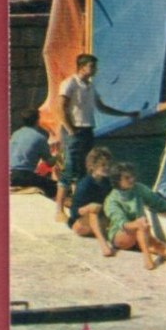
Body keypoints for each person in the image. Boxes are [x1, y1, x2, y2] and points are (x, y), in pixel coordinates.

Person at [54, 53, 140, 222]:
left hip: (87, 130)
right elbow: (60, 108)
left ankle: (78, 208)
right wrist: (70, 130)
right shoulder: (69, 83)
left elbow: (101, 107)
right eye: (92, 66)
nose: (95, 70)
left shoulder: (90, 86)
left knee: (85, 170)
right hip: (74, 130)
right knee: (69, 169)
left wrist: (126, 114)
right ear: (82, 67)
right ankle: (58, 210)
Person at [103, 162, 166, 271]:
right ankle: (147, 259)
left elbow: (157, 202)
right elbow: (123, 224)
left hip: (140, 232)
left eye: (132, 176)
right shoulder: (111, 200)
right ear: (118, 181)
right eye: (127, 178)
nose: (132, 179)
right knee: (142, 225)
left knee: (157, 243)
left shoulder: (138, 188)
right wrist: (138, 224)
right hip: (120, 236)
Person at [68, 146, 115, 257]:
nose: (107, 168)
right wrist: (88, 208)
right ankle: (103, 245)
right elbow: (73, 212)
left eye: (108, 164)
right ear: (93, 166)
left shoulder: (107, 182)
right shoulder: (85, 184)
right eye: (103, 165)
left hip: (99, 219)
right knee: (93, 211)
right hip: (81, 224)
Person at [9, 109, 58, 199]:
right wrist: (58, 156)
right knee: (54, 187)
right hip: (22, 175)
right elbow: (50, 163)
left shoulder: (15, 134)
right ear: (37, 120)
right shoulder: (40, 138)